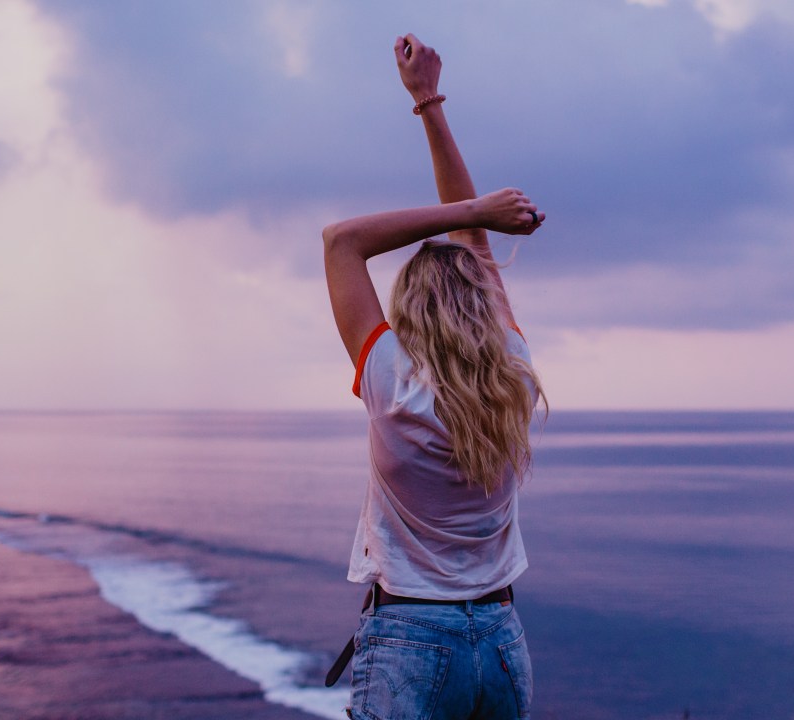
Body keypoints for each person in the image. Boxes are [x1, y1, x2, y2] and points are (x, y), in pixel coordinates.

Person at [321, 34, 547, 720]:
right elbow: (474, 250)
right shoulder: (513, 372)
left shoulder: (391, 380)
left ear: (407, 314)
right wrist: (430, 102)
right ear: (483, 304)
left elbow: (342, 242)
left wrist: (472, 213)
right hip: (502, 642)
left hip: (411, 640)